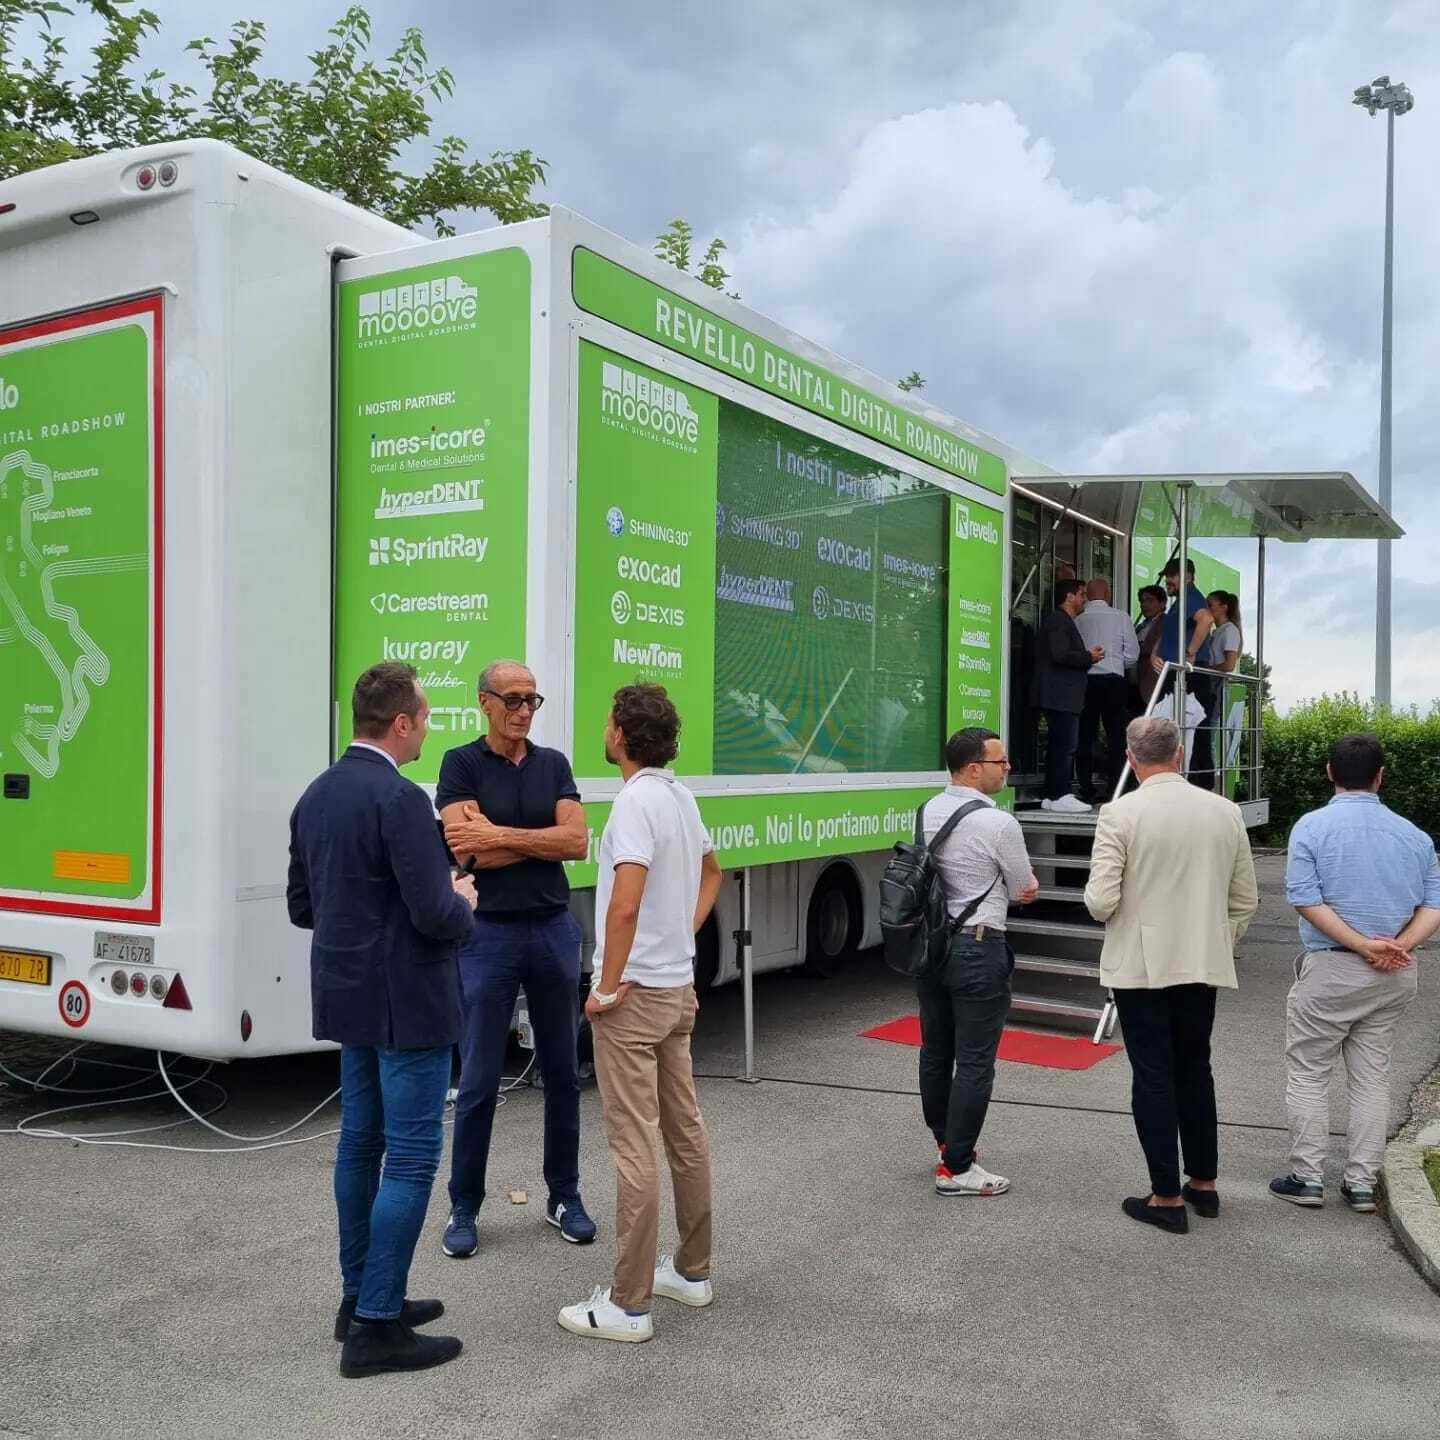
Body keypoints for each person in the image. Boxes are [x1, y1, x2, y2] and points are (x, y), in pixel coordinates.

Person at [287, 661, 476, 1377]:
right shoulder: (399, 799)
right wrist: (463, 902)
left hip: (348, 997)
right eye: (424, 718)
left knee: (360, 1148)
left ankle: (362, 1299)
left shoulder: (317, 793)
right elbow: (434, 914)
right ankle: (375, 1326)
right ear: (401, 723)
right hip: (407, 1002)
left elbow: (302, 906)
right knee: (413, 1157)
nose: (427, 729)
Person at [558, 684, 723, 1343]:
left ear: (622, 735)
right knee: (685, 1132)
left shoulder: (632, 802)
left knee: (633, 1145)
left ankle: (628, 1305)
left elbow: (624, 905)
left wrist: (604, 987)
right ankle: (691, 1269)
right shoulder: (680, 797)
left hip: (633, 997)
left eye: (608, 722)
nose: (604, 730)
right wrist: (681, 937)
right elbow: (713, 873)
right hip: (677, 988)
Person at [438, 659, 593, 1258]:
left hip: (552, 928)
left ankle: (565, 1196)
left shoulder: (553, 764)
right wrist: (537, 842)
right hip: (488, 935)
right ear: (484, 702)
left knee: (563, 1072)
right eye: (513, 699)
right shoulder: (461, 763)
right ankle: (464, 1206)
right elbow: (464, 851)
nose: (524, 710)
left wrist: (500, 836)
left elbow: (575, 842)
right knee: (479, 1079)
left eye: (532, 699)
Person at [1083, 716, 1258, 1234]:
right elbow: (1244, 899)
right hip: (1201, 963)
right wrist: (1216, 939)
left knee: (1153, 1075)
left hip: (1140, 967)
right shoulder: (1225, 812)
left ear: (1130, 758)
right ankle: (1204, 1183)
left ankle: (1165, 1197)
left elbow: (1100, 901)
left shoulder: (1119, 813)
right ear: (1179, 754)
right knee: (1195, 1069)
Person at [1271, 734, 1440, 1212]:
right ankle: (1362, 1183)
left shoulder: (1311, 827)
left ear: (1330, 772)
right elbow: (1433, 905)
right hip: (1395, 972)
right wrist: (1398, 946)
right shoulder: (1415, 836)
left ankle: (1307, 1177)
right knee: (1371, 1076)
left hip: (1332, 967)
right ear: (1380, 776)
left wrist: (1361, 944)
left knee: (1309, 1071)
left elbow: (1305, 899)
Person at [917, 728, 1039, 1197]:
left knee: (936, 1051)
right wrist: (1022, 887)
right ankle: (958, 1169)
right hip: (979, 946)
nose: (1007, 769)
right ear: (973, 769)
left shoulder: (927, 810)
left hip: (932, 947)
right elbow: (1023, 887)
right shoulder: (999, 823)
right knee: (974, 1061)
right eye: (999, 762)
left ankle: (946, 1143)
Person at [1033, 578, 1104, 814]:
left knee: (1060, 744)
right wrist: (1088, 657)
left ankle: (1052, 795)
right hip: (1060, 694)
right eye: (1082, 594)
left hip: (1060, 694)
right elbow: (1060, 654)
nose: (1085, 599)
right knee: (1065, 745)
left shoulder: (1061, 621)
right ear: (1069, 596)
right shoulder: (1059, 621)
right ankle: (1060, 794)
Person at [1074, 578, 1139, 802]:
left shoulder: (1079, 619)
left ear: (1087, 595)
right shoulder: (1121, 617)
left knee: (1085, 735)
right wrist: (1118, 662)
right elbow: (1132, 654)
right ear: (1108, 594)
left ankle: (1085, 787)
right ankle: (1115, 788)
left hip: (1085, 680)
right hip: (1113, 680)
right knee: (1117, 736)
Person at [1153, 558, 1215, 789]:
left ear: (1187, 576)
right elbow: (1169, 632)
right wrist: (1155, 653)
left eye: (1173, 575)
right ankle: (1183, 781)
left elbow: (1206, 619)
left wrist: (1190, 652)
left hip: (1188, 674)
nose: (1168, 580)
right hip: (1176, 671)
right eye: (1167, 576)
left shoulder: (1190, 597)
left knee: (1193, 728)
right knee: (1176, 728)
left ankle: (1200, 784)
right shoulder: (1180, 601)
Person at [1202, 592, 1242, 786]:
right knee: (1205, 731)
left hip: (1216, 685)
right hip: (1210, 684)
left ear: (1224, 607)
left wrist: (1206, 669)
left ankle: (1209, 781)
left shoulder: (1229, 630)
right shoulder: (1217, 631)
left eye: (1211, 605)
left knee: (1209, 731)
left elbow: (1229, 664)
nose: (1207, 608)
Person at [1132, 585, 1167, 714]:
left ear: (1162, 603)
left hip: (1153, 682)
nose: (1144, 605)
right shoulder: (1141, 625)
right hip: (1136, 682)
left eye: (1150, 600)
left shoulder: (1166, 622)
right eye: (1142, 601)